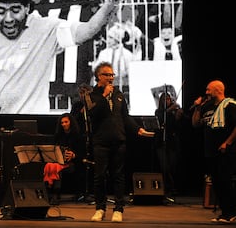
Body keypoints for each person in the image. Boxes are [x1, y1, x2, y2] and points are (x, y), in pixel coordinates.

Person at [0, 0, 140, 114]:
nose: (8, 18)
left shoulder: (46, 28)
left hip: (34, 126)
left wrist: (112, 0)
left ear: (27, 8)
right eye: (1, 11)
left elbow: (88, 30)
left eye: (15, 10)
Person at [88, 61, 153, 222]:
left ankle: (118, 209)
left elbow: (125, 117)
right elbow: (93, 114)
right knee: (99, 176)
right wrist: (103, 96)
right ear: (98, 76)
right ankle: (100, 208)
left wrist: (138, 129)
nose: (111, 78)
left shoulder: (118, 94)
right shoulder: (91, 95)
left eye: (112, 75)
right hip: (100, 142)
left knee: (118, 176)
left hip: (119, 140)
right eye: (107, 75)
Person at [191, 80, 236, 223]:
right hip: (210, 151)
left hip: (225, 151)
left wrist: (226, 143)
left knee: (225, 181)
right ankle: (225, 213)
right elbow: (195, 124)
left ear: (218, 90)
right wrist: (198, 108)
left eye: (208, 90)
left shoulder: (230, 105)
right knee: (216, 182)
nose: (206, 93)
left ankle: (231, 213)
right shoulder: (207, 106)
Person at [43, 113, 85, 205]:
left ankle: (54, 193)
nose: (64, 124)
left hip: (73, 163)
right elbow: (53, 149)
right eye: (62, 123)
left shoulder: (78, 136)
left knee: (56, 168)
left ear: (71, 122)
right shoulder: (58, 136)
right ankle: (50, 192)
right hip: (58, 162)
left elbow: (83, 154)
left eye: (66, 122)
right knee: (49, 165)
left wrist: (74, 155)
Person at [154, 91, 184, 197]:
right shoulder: (158, 111)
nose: (168, 101)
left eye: (169, 99)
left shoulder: (174, 111)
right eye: (165, 99)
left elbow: (178, 126)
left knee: (172, 166)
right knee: (164, 166)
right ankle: (168, 188)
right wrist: (170, 110)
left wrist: (178, 115)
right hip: (161, 142)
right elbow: (160, 119)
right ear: (161, 101)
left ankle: (171, 188)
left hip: (172, 142)